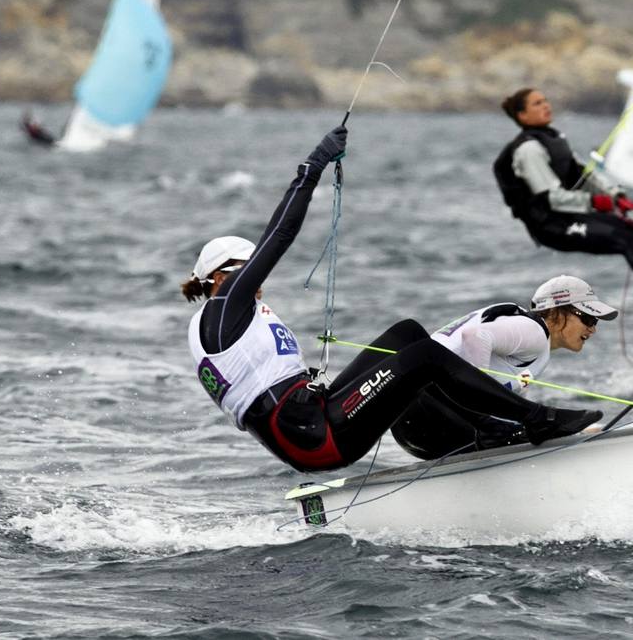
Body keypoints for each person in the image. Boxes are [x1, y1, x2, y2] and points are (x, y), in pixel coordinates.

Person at [183, 125, 597, 474]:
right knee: (426, 359)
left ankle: (484, 428)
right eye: (245, 265)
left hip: (314, 419)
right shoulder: (224, 306)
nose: (256, 272)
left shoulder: (223, 321)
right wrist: (311, 169)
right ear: (220, 275)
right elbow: (279, 236)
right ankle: (536, 419)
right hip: (312, 436)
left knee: (408, 335)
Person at [492, 87, 633, 326]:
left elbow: (585, 175)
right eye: (537, 104)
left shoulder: (554, 139)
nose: (546, 105)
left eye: (545, 100)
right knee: (624, 240)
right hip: (551, 226)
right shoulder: (528, 150)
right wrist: (594, 201)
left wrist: (615, 195)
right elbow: (551, 198)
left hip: (572, 216)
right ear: (522, 115)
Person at [391, 275, 614, 460]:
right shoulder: (533, 332)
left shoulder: (532, 346)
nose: (593, 329)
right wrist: (476, 395)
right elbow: (476, 336)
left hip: (414, 417)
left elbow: (506, 410)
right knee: (509, 436)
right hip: (430, 410)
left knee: (515, 431)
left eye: (595, 321)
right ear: (556, 312)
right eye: (587, 318)